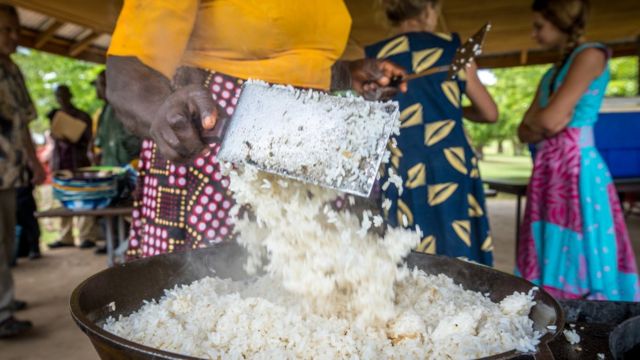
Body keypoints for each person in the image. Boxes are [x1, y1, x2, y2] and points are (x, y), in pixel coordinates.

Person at [106, 0, 406, 259]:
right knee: (219, 287)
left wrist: (347, 73)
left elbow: (295, 60)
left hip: (310, 143)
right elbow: (129, 69)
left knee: (313, 281)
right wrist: (163, 111)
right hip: (217, 138)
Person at [517, 0, 639, 300]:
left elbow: (544, 120)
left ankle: (585, 315)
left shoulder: (591, 54)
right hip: (549, 169)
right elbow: (525, 129)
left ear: (559, 20)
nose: (534, 34)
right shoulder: (551, 73)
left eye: (539, 26)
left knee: (581, 244)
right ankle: (553, 305)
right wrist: (546, 121)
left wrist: (544, 121)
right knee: (550, 240)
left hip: (576, 169)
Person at [365, 0, 498, 265]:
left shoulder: (375, 59)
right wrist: (455, 111)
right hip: (449, 160)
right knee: (455, 233)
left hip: (401, 162)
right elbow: (490, 113)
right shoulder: (454, 50)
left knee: (405, 238)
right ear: (430, 10)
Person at [0, 4, 46, 337]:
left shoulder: (12, 70)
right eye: (5, 30)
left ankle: (3, 301)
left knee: (4, 238)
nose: (13, 36)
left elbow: (23, 123)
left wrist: (33, 161)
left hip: (9, 172)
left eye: (15, 30)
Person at [91, 70, 141, 255]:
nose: (98, 89)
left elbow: (135, 139)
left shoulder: (125, 107)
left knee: (125, 209)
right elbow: (101, 140)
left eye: (99, 84)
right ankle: (114, 243)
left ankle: (125, 246)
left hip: (125, 169)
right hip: (109, 169)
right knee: (109, 209)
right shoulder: (104, 111)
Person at [47, 85, 100, 250]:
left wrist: (72, 137)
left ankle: (86, 236)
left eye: (63, 94)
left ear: (70, 95)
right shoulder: (55, 115)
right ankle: (65, 236)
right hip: (60, 163)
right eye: (58, 95)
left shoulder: (82, 116)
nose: (61, 98)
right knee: (63, 198)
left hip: (79, 163)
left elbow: (88, 139)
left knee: (83, 197)